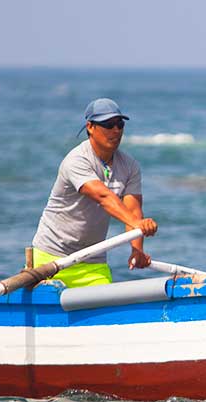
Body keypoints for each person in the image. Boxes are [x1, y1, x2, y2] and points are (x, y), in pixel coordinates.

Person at [31, 98, 158, 287]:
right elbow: (103, 196)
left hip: (92, 261)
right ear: (90, 127)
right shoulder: (77, 160)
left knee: (107, 311)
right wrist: (138, 224)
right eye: (108, 125)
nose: (116, 130)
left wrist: (137, 249)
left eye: (119, 124)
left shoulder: (130, 166)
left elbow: (133, 211)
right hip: (51, 258)